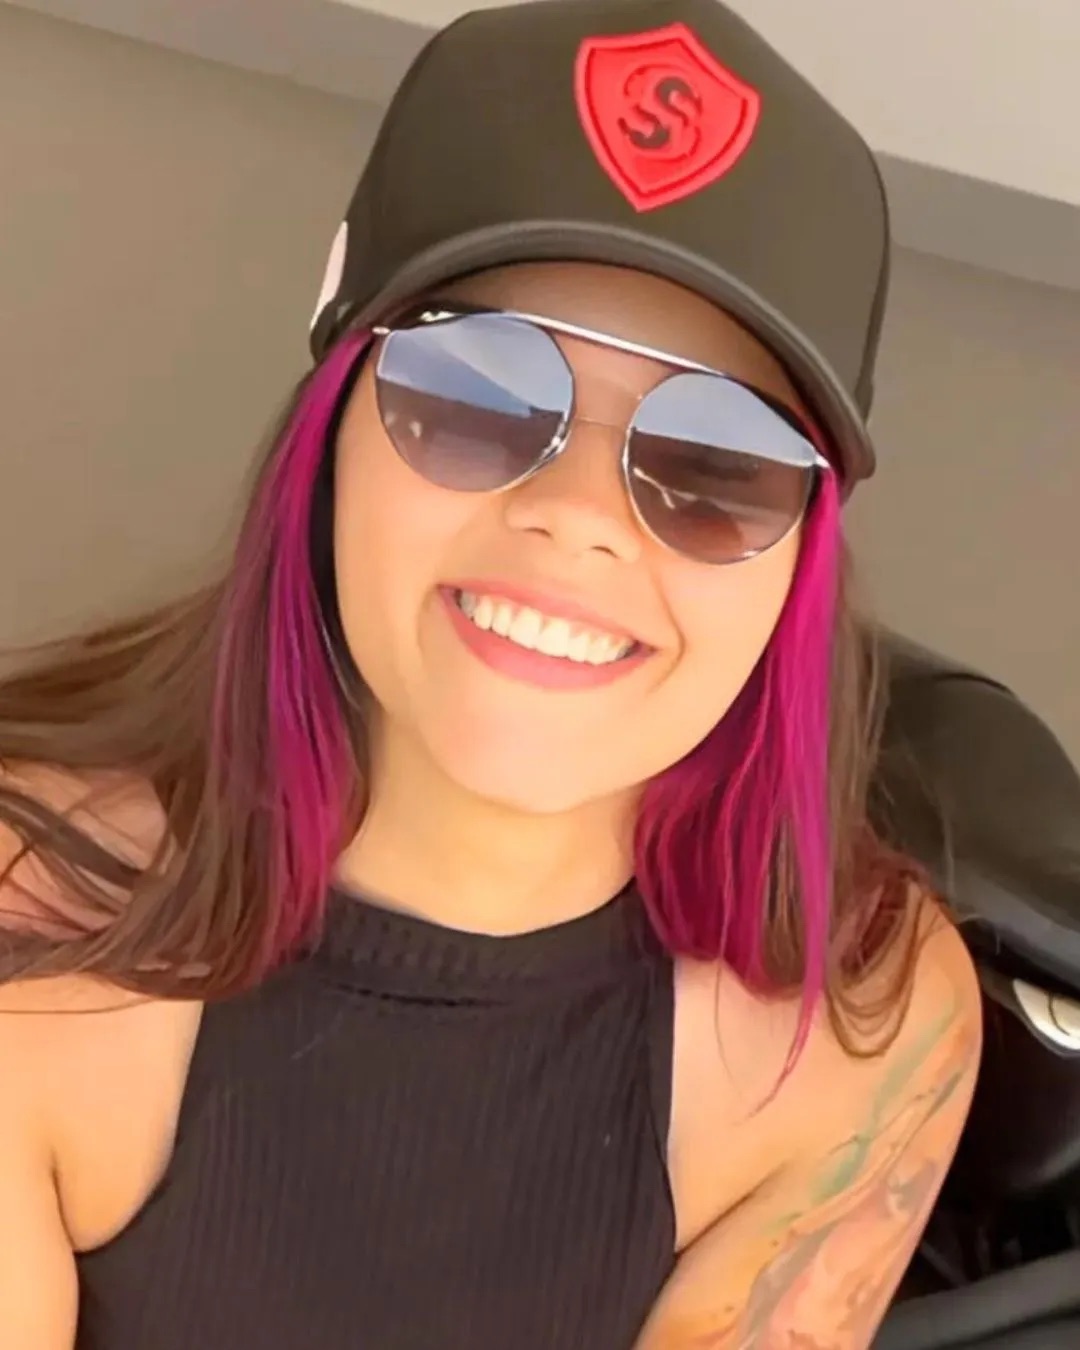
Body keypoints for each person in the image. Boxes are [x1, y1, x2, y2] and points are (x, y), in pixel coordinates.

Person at [0, 0, 982, 1346]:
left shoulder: (863, 1020)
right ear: (331, 429)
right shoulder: (32, 932)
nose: (578, 517)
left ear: (802, 561)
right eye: (477, 391)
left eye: (718, 463)